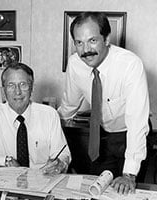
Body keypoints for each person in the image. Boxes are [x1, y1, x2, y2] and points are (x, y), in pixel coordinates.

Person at [58, 12, 150, 194]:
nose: (86, 50)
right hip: (101, 137)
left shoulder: (130, 65)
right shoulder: (75, 64)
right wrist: (45, 128)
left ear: (106, 39)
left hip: (130, 135)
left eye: (92, 40)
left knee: (126, 192)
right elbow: (68, 107)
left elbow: (137, 122)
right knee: (98, 190)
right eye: (79, 42)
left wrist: (129, 174)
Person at [0, 62, 71, 175]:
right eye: (11, 85)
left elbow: (63, 153)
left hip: (43, 179)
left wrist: (60, 163)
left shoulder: (49, 114)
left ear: (31, 88)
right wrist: (5, 161)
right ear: (3, 90)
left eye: (23, 84)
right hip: (8, 181)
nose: (17, 92)